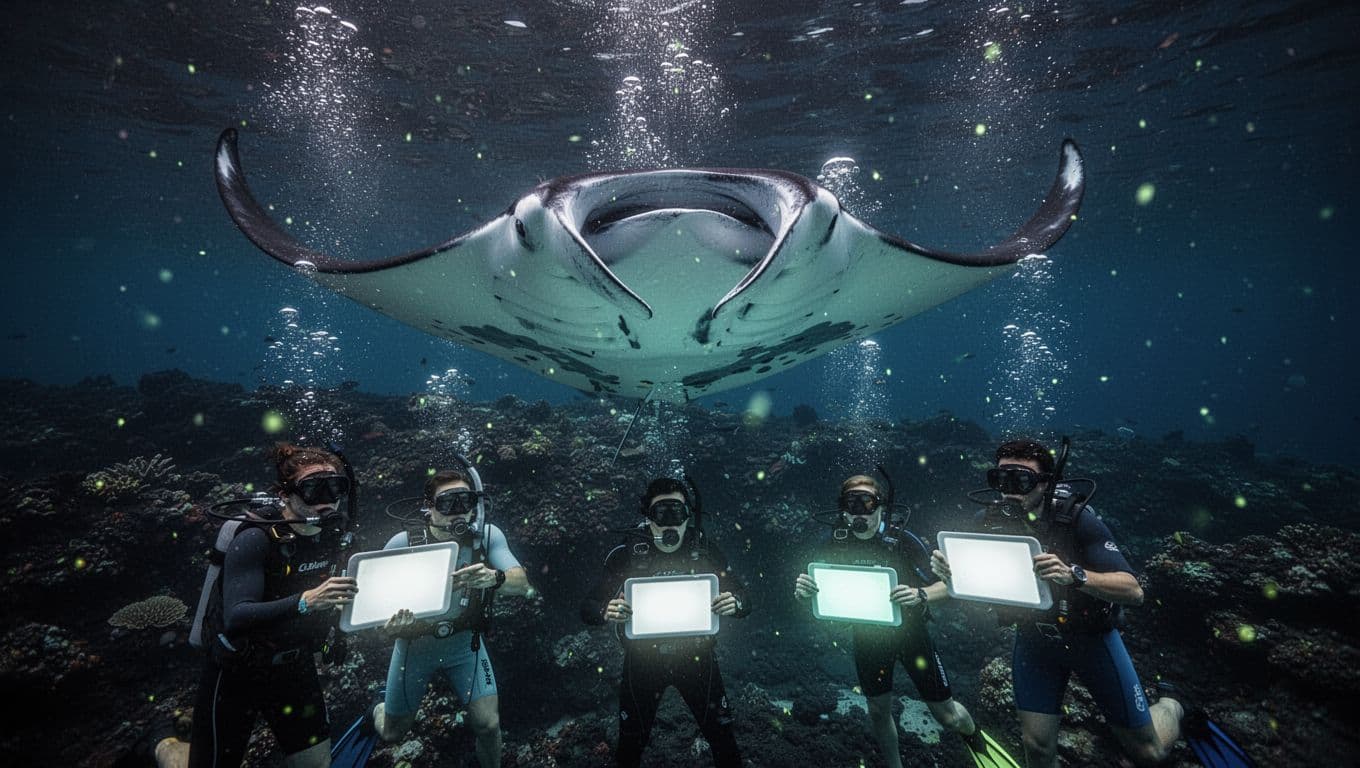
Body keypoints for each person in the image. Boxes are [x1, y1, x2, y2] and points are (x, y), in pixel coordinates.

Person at [930, 437, 1185, 768]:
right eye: (1001, 479)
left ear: (1046, 483)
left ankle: (1173, 703)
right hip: (1034, 638)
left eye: (1021, 480)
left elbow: (1134, 591)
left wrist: (1074, 575)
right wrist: (951, 574)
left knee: (1147, 753)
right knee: (1036, 747)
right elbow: (977, 583)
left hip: (1091, 638)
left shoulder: (1077, 520)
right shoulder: (988, 522)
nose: (1009, 491)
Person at [120, 443, 360, 768]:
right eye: (312, 488)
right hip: (238, 671)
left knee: (316, 764)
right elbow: (236, 615)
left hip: (294, 667)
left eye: (335, 487)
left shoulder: (334, 538)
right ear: (286, 495)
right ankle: (164, 741)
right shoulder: (256, 539)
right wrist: (307, 601)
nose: (327, 499)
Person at [793, 473, 1020, 768]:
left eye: (868, 502)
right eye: (852, 504)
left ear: (881, 507)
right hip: (868, 638)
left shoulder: (903, 541)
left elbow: (951, 586)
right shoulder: (832, 543)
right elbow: (817, 589)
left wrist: (920, 594)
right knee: (877, 710)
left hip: (912, 635)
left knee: (947, 715)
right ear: (842, 509)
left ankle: (973, 735)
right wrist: (804, 592)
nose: (860, 511)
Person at [336, 464, 530, 768]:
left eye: (465, 502)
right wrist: (391, 627)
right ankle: (377, 707)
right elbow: (372, 609)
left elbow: (522, 584)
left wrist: (495, 578)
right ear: (429, 509)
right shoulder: (404, 543)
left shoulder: (486, 537)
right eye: (446, 503)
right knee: (392, 732)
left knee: (488, 725)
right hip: (416, 647)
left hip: (466, 645)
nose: (457, 512)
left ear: (475, 505)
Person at [580, 477, 750, 768]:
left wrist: (736, 604)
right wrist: (606, 611)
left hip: (698, 662)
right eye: (661, 513)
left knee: (723, 741)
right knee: (630, 747)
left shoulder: (704, 548)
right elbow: (588, 606)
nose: (670, 522)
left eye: (677, 512)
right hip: (642, 664)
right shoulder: (627, 552)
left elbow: (744, 595)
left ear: (689, 516)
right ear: (647, 516)